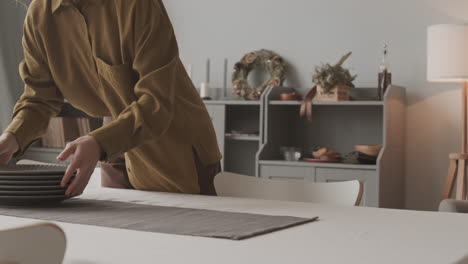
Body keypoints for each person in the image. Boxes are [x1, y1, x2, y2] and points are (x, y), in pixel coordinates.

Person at [0, 0, 222, 197]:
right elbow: (39, 98)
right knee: (115, 235)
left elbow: (157, 101)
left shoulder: (137, 5)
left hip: (172, 141)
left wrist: (100, 143)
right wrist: (13, 136)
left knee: (185, 235)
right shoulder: (40, 15)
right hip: (111, 142)